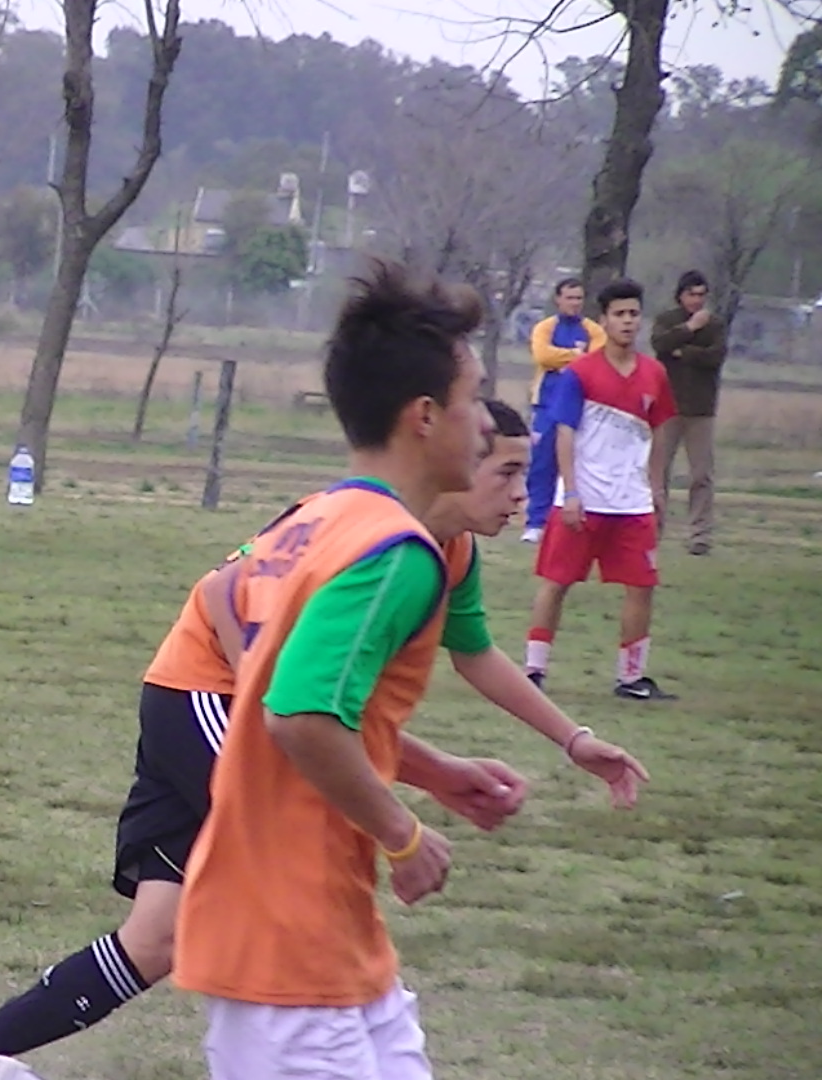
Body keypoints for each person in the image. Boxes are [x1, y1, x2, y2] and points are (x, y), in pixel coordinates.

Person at [0, 399, 648, 1080]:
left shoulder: (446, 554)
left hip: (243, 707)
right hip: (205, 697)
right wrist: (403, 807)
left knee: (159, 938)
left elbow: (468, 656)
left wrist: (571, 740)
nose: (522, 494)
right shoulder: (370, 532)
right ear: (450, 451)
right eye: (506, 470)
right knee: (301, 882)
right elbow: (247, 629)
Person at [169, 258, 506, 1080]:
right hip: (289, 936)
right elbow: (299, 715)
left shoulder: (314, 520)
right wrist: (404, 835)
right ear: (424, 417)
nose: (484, 426)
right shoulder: (396, 553)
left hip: (327, 922)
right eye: (473, 402)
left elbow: (281, 682)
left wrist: (432, 770)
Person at [525, 279, 677, 701]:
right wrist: (571, 492)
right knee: (557, 581)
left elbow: (660, 432)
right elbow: (565, 433)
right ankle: (533, 671)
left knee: (642, 585)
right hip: (584, 500)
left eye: (633, 314)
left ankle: (631, 677)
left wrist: (657, 487)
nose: (627, 321)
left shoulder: (654, 374)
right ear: (604, 320)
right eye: (619, 314)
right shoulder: (581, 372)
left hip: (631, 501)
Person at [649, 269, 728, 556]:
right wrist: (690, 328)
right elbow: (660, 345)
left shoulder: (715, 325)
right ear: (680, 295)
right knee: (658, 473)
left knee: (701, 474)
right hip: (667, 407)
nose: (696, 300)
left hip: (701, 409)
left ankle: (700, 535)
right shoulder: (667, 320)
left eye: (701, 295)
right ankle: (651, 531)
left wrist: (684, 352)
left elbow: (715, 356)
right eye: (691, 294)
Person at [523, 278, 605, 544]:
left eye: (579, 298)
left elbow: (597, 359)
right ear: (558, 299)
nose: (574, 303)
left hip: (580, 404)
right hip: (546, 404)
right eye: (569, 297)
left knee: (578, 464)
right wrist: (577, 355)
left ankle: (576, 520)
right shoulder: (545, 327)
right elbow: (542, 356)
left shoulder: (593, 330)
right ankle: (536, 522)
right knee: (542, 464)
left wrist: (564, 358)